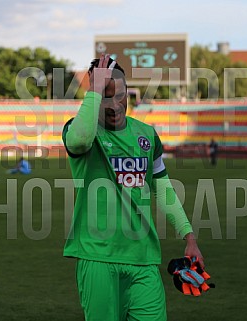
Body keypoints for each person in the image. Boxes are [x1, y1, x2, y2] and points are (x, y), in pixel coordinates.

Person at [62, 54, 204, 321]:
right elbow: (80, 140)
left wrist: (189, 237)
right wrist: (94, 90)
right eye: (105, 95)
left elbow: (162, 188)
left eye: (120, 95)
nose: (115, 105)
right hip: (98, 259)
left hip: (144, 260)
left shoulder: (147, 135)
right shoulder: (79, 130)